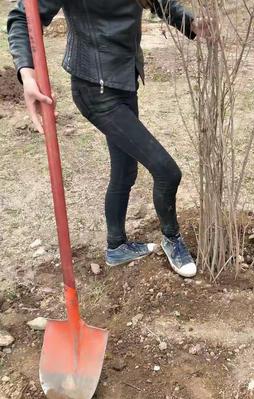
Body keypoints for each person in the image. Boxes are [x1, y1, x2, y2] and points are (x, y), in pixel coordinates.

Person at [7, 1, 212, 277]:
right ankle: (171, 238)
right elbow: (23, 17)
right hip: (95, 90)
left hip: (125, 80)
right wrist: (27, 75)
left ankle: (116, 246)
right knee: (167, 171)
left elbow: (160, 3)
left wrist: (192, 24)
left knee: (125, 171)